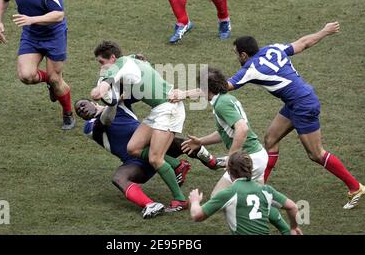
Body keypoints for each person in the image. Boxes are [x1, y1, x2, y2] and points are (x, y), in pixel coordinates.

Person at [225, 21, 364, 209]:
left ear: (243, 54)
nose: (237, 58)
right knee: (271, 139)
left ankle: (355, 187)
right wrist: (324, 31)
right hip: (296, 101)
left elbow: (226, 87)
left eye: (237, 55)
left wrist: (195, 88)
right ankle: (260, 188)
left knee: (316, 154)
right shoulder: (273, 49)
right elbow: (303, 43)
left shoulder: (250, 68)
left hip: (303, 105)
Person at [180, 67, 291, 234]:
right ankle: (283, 228)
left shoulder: (221, 104)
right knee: (260, 199)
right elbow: (227, 131)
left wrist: (232, 157)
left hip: (250, 158)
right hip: (257, 156)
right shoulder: (225, 99)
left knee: (219, 196)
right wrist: (201, 141)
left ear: (207, 89)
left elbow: (242, 129)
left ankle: (245, 226)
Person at [74, 98, 225, 218]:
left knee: (184, 142)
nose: (81, 109)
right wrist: (112, 101)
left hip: (155, 145)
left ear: (93, 102)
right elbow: (105, 121)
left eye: (82, 105)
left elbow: (135, 92)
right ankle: (151, 204)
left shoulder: (121, 105)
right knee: (119, 178)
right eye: (79, 111)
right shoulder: (90, 127)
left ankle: (212, 162)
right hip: (135, 163)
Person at [90, 41, 188, 212]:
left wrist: (99, 91)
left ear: (112, 58)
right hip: (159, 109)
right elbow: (139, 58)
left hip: (169, 109)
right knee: (133, 148)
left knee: (155, 159)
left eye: (101, 62)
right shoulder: (129, 59)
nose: (101, 66)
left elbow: (97, 93)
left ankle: (180, 199)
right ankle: (177, 165)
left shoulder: (116, 67)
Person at [0, 0, 75, 130]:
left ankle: (68, 113)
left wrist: (32, 19)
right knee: (26, 76)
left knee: (57, 81)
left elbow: (58, 14)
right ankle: (51, 82)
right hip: (31, 35)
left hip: (54, 35)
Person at [189, 151, 303, 235]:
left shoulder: (228, 193)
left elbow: (197, 216)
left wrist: (195, 201)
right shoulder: (266, 190)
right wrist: (293, 228)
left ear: (228, 171)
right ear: (250, 169)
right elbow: (292, 207)